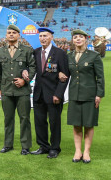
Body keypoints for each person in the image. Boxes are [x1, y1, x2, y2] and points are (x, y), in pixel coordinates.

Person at [0, 24, 35, 155]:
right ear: (6, 36)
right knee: (8, 118)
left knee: (24, 118)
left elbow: (33, 67)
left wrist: (25, 79)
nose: (11, 34)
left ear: (19, 35)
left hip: (22, 90)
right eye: (9, 33)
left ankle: (25, 146)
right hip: (6, 90)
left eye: (14, 32)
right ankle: (8, 144)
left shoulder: (27, 50)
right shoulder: (0, 51)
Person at [30, 28, 69, 159]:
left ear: (51, 37)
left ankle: (54, 148)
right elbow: (31, 69)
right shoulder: (35, 52)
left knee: (54, 123)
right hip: (38, 94)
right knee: (39, 122)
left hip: (53, 95)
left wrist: (58, 94)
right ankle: (43, 146)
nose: (42, 38)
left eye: (45, 36)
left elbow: (65, 76)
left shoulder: (60, 53)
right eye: (40, 36)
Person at [67, 29, 105, 164]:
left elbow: (100, 77)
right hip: (74, 94)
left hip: (90, 95)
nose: (78, 39)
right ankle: (78, 151)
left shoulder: (94, 56)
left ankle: (87, 151)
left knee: (88, 124)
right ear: (72, 40)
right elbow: (66, 74)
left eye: (80, 37)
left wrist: (99, 94)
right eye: (75, 37)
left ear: (85, 40)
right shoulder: (69, 56)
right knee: (76, 124)